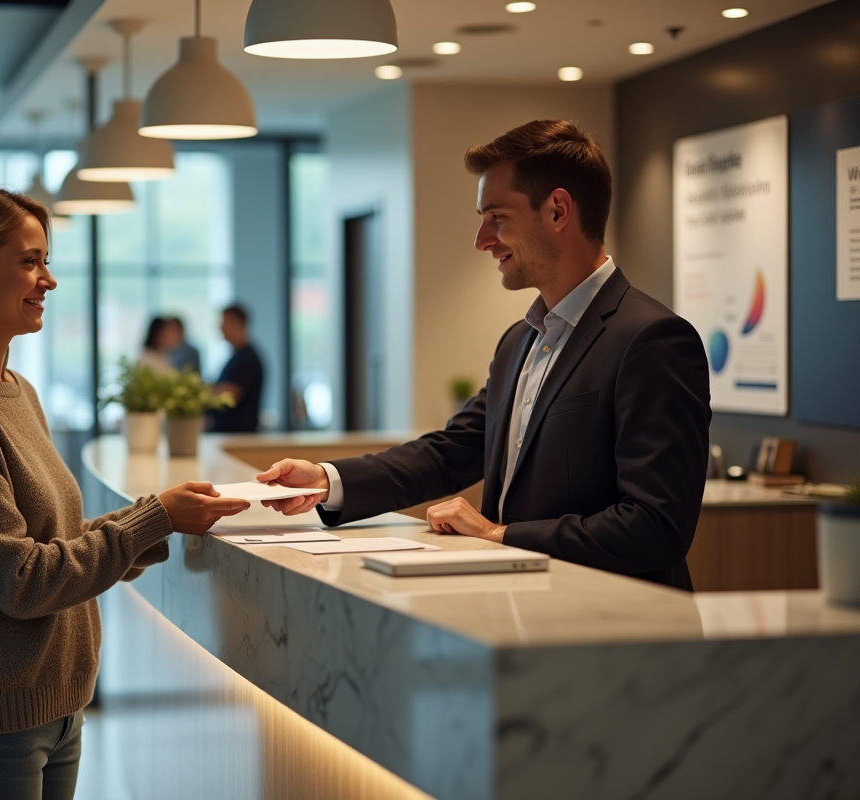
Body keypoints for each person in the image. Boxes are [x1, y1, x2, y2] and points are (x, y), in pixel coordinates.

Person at [0, 184, 249, 800]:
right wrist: (154, 519)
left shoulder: (17, 391)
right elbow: (20, 578)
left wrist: (163, 517)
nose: (49, 279)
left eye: (46, 261)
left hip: (53, 710)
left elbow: (53, 541)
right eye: (29, 262)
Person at [258, 120, 712, 590]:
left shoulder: (652, 339)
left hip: (616, 623)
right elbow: (451, 453)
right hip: (525, 614)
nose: (481, 240)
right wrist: (326, 480)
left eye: (497, 217)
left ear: (558, 211)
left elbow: (657, 527)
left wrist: (500, 535)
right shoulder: (519, 340)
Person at [207, 303, 264, 433]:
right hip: (231, 434)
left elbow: (225, 397)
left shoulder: (246, 359)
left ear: (238, 323)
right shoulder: (238, 357)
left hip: (238, 436)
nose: (221, 327)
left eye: (224, 322)